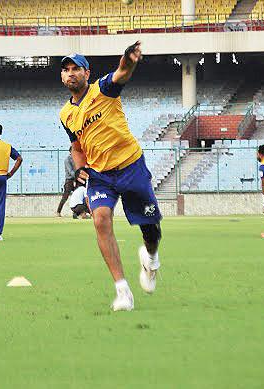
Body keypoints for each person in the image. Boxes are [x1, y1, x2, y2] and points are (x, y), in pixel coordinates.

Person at [59, 42, 162, 312]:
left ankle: (150, 259)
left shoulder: (102, 89)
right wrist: (81, 167)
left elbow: (121, 74)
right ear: (62, 77)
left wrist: (129, 60)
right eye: (66, 70)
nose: (71, 73)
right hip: (100, 175)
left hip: (131, 166)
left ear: (87, 73)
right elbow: (77, 145)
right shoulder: (65, 114)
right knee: (101, 219)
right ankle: (122, 291)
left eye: (76, 69)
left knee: (151, 231)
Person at [56, 147, 75, 217]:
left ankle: (78, 212)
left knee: (78, 195)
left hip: (76, 180)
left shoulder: (76, 159)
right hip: (69, 180)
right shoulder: (67, 159)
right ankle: (58, 212)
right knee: (65, 197)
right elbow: (70, 171)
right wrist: (78, 176)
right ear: (70, 151)